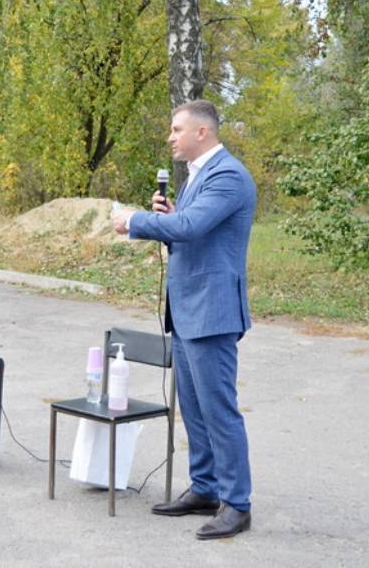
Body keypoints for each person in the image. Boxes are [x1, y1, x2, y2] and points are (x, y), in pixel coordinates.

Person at [110, 100, 256, 540]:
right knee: (192, 407)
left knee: (218, 410)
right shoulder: (196, 175)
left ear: (202, 132)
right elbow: (190, 227)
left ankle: (237, 504)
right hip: (190, 309)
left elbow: (191, 228)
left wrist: (133, 220)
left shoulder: (228, 175)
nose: (170, 137)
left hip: (213, 311)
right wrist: (169, 217)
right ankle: (206, 489)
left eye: (177, 129)